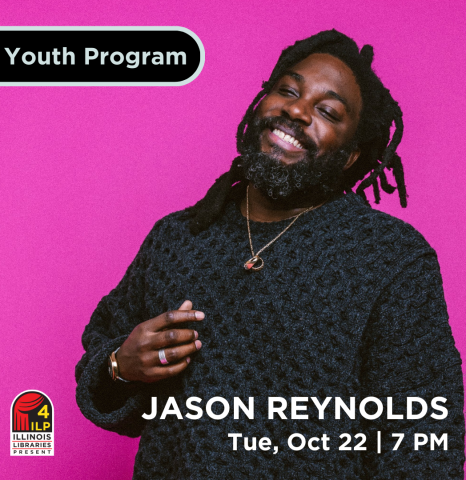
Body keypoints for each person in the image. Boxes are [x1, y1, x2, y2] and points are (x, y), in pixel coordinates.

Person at [75, 29, 465, 479]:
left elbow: (426, 437)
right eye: (288, 91)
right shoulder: (179, 237)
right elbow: (105, 375)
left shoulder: (389, 258)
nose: (296, 111)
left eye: (327, 111)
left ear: (350, 156)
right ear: (261, 103)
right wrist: (122, 365)